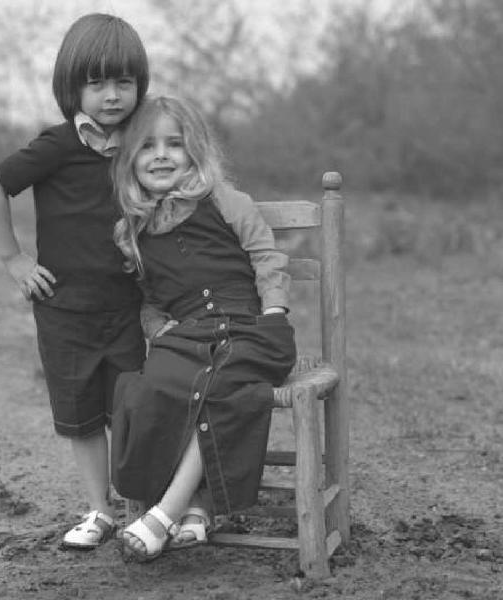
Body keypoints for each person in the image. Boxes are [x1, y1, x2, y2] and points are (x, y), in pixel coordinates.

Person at [0, 13, 149, 549]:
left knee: (131, 409)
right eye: (96, 83)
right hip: (63, 309)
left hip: (128, 305)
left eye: (123, 82)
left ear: (139, 85)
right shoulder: (55, 146)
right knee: (79, 416)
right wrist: (13, 260)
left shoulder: (144, 146)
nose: (112, 95)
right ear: (71, 87)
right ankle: (99, 512)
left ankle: (141, 508)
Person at [111, 95, 297, 562]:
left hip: (250, 331)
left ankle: (165, 511)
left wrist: (274, 311)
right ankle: (198, 508)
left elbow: (265, 258)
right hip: (190, 336)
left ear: (195, 151)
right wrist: (159, 328)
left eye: (174, 144)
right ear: (130, 161)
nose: (160, 154)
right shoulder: (134, 230)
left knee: (220, 382)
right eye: (147, 146)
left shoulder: (227, 201)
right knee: (159, 385)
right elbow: (150, 300)